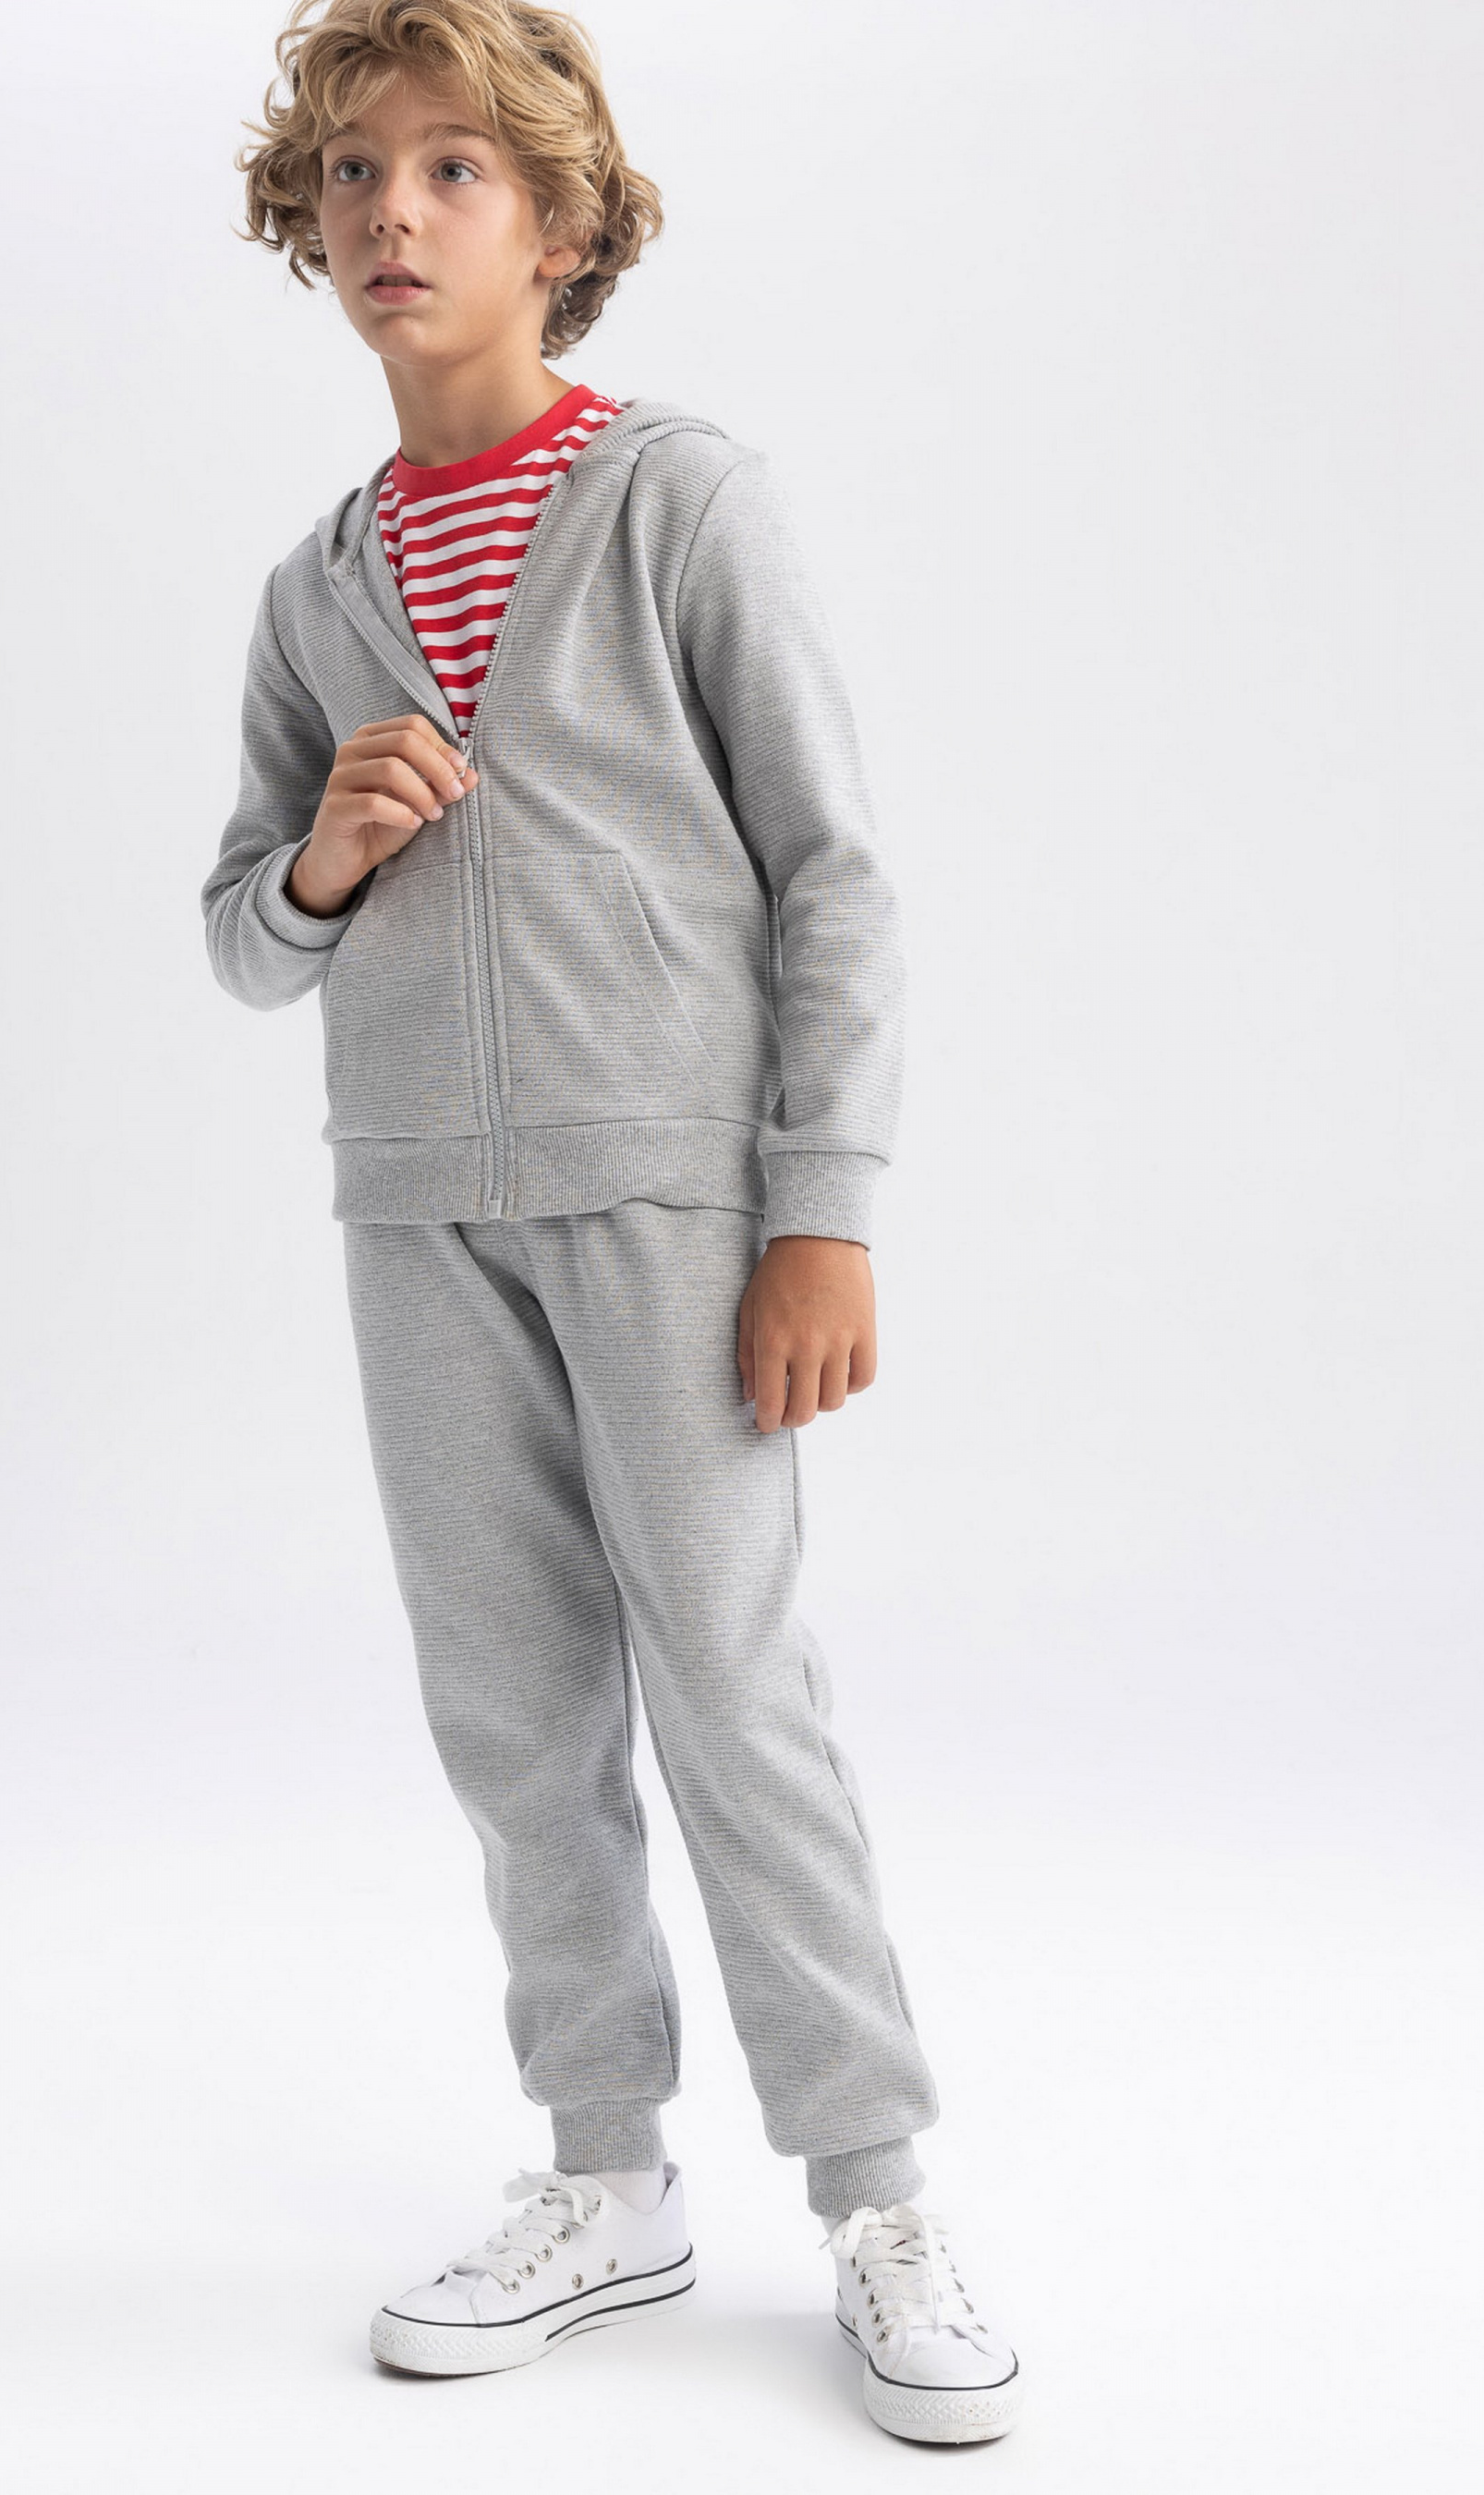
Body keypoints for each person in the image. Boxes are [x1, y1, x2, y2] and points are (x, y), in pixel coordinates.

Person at [203, 0, 1024, 2445]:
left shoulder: (679, 500)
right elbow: (241, 935)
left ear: (561, 225)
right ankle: (603, 2172)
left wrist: (821, 1207)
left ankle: (874, 2192)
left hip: (674, 1195)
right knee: (511, 1710)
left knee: (733, 1689)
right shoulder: (314, 587)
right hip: (414, 1211)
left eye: (454, 167)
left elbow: (830, 872)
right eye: (352, 173)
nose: (392, 210)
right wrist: (323, 858)